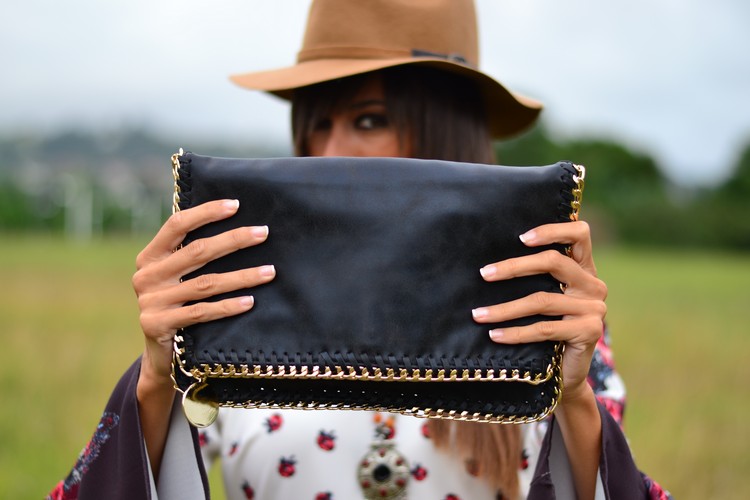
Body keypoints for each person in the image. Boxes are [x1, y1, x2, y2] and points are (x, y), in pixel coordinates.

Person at [48, 1, 671, 499]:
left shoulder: (540, 302)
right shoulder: (242, 281)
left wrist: (573, 399)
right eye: (316, 122)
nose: (330, 151)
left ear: (447, 131)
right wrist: (158, 379)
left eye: (369, 119)